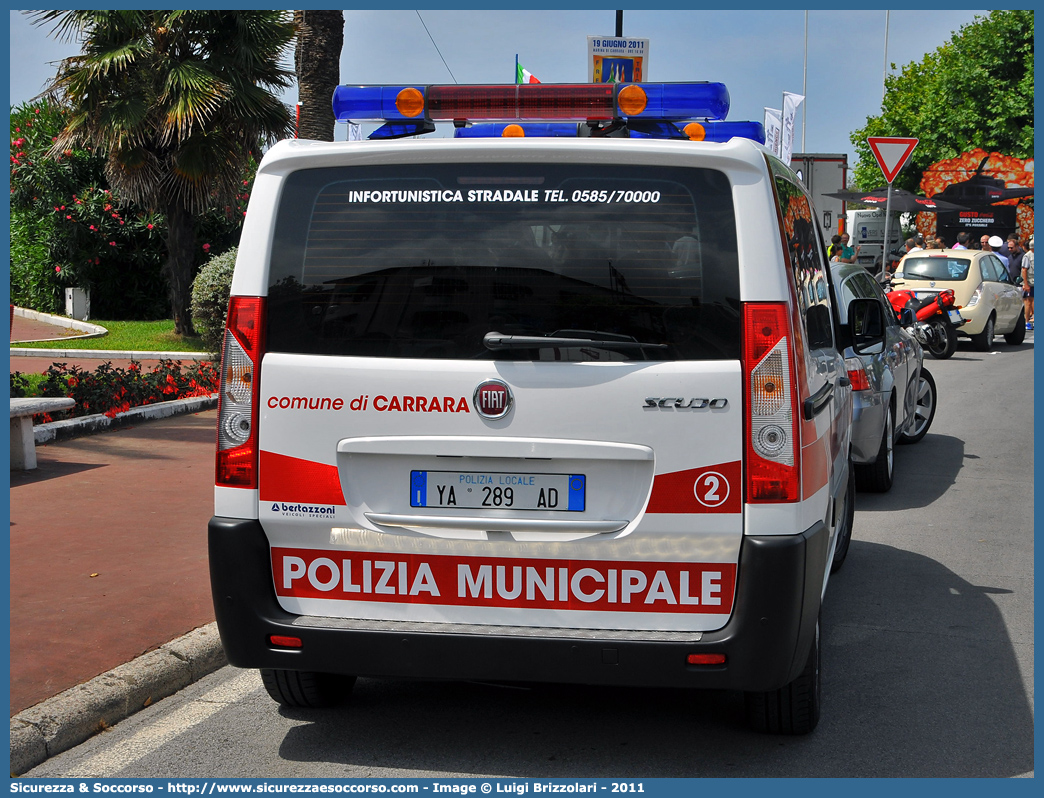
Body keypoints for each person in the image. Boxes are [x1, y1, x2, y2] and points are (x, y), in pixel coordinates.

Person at [1021, 235, 1034, 329]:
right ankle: (1026, 321)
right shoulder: (1027, 256)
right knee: (1028, 302)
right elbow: (1024, 270)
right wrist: (1025, 284)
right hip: (1030, 282)